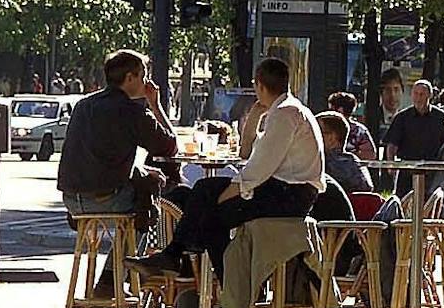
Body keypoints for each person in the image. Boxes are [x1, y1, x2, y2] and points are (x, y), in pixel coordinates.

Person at [130, 57, 323, 281]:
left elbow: (256, 170)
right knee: (194, 196)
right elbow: (247, 154)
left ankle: (203, 271)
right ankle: (185, 261)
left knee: (208, 210)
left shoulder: (285, 113)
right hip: (285, 191)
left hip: (289, 195)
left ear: (259, 85)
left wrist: (224, 196)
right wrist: (253, 120)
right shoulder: (285, 110)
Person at [56, 51, 175, 217]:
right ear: (129, 78)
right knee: (152, 185)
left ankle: (108, 243)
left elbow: (101, 161)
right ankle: (135, 243)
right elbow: (170, 146)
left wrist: (141, 171)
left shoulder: (83, 105)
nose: (146, 82)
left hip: (71, 200)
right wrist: (156, 106)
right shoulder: (132, 111)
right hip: (109, 200)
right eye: (143, 75)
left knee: (144, 176)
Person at [382, 78, 444, 196]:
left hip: (432, 170)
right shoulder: (402, 117)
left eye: (422, 94)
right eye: (416, 93)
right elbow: (392, 143)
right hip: (407, 169)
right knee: (403, 201)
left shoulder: (440, 117)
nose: (418, 97)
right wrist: (391, 164)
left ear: (429, 95)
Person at [317, 111, 375, 194]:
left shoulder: (323, 163)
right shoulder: (354, 161)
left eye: (317, 132)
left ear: (332, 137)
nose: (312, 136)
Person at [326, 92, 379, 163]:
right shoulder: (325, 126)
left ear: (340, 109)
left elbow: (370, 154)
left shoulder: (358, 131)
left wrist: (348, 156)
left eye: (331, 109)